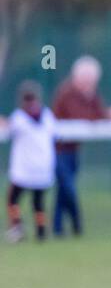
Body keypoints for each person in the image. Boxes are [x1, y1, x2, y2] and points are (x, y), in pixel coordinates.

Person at [50, 55, 111, 237]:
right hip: (57, 150)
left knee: (63, 192)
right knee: (68, 188)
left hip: (72, 150)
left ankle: (57, 229)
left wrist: (106, 113)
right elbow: (83, 117)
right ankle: (77, 227)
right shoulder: (67, 93)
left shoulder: (89, 94)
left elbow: (98, 113)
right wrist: (109, 114)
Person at [5, 82, 56, 243]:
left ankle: (17, 227)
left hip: (25, 169)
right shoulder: (47, 115)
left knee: (12, 199)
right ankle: (41, 231)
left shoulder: (19, 117)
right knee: (38, 202)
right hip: (44, 167)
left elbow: (7, 130)